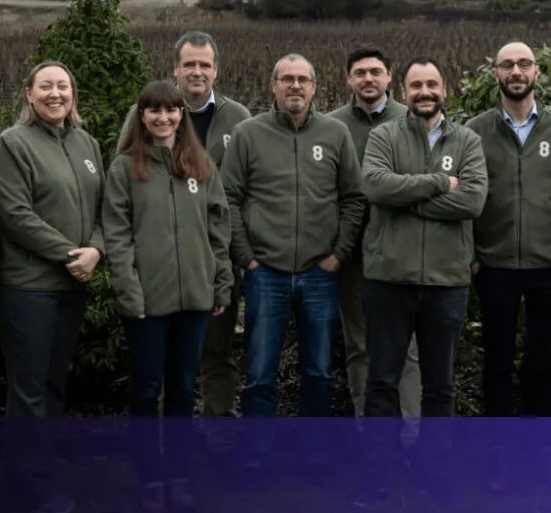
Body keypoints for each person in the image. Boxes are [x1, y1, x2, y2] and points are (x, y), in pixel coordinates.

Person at [351, 56, 488, 509]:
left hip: (447, 283)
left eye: (432, 84)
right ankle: (377, 476)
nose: (425, 92)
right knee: (381, 384)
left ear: (443, 89)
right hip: (389, 280)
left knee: (440, 387)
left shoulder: (467, 140)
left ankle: (434, 475)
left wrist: (407, 198)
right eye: (416, 85)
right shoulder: (384, 136)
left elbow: (472, 201)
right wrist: (439, 182)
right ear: (404, 91)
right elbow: (375, 187)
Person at [219, 53, 365, 472]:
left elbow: (353, 197)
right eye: (287, 79)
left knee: (318, 370)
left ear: (315, 86)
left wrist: (339, 254)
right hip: (265, 273)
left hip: (320, 273)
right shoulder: (249, 134)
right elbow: (228, 198)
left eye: (303, 79)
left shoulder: (335, 134)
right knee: (260, 371)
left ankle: (313, 452)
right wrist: (246, 259)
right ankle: (258, 454)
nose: (295, 86)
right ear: (274, 85)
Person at [116, 32, 252, 458]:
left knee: (203, 367)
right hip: (152, 285)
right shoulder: (132, 144)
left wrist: (226, 274)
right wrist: (129, 285)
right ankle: (150, 464)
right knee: (151, 383)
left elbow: (224, 215)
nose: (197, 71)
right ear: (175, 68)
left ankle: (202, 450)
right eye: (189, 64)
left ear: (216, 70)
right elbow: (121, 217)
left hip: (202, 278)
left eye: (204, 64)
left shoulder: (231, 126)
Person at [103, 80, 234, 511]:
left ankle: (178, 474)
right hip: (147, 302)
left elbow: (219, 228)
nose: (164, 118)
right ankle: (149, 478)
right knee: (146, 392)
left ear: (181, 115)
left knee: (182, 390)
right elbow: (117, 235)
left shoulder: (200, 164)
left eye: (171, 110)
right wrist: (129, 292)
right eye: (154, 111)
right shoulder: (125, 168)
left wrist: (220, 282)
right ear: (142, 117)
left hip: (194, 299)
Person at [466, 41, 551, 491]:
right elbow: (467, 200)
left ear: (537, 72)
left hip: (550, 267)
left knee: (544, 360)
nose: (516, 71)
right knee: (496, 360)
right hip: (493, 266)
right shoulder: (475, 130)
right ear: (495, 73)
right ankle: (499, 454)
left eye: (524, 64)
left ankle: (542, 452)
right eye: (507, 65)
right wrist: (473, 257)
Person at [0, 60, 106, 513]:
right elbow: (15, 215)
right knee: (29, 389)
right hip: (29, 288)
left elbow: (104, 209)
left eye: (63, 86)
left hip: (71, 286)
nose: (55, 94)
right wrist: (71, 255)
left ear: (73, 93)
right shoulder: (13, 143)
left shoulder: (86, 143)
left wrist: (97, 250)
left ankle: (41, 473)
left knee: (54, 385)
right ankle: (28, 489)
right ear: (28, 93)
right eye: (46, 86)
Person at [327, 45, 422, 437]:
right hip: (352, 256)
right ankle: (371, 431)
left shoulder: (413, 119)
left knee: (408, 346)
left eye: (375, 72)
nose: (368, 79)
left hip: (403, 252)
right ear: (348, 79)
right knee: (360, 345)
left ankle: (412, 433)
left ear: (389, 76)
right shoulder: (333, 126)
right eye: (360, 72)